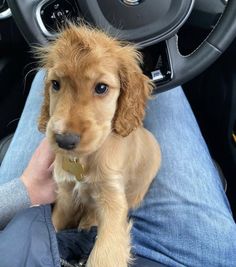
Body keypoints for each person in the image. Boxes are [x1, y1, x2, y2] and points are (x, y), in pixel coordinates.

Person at [0, 70, 235, 266]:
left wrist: (25, 190)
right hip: (175, 256)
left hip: (21, 241)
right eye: (57, 85)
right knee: (169, 82)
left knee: (45, 73)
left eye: (100, 88)